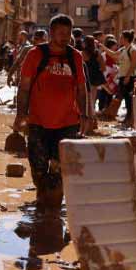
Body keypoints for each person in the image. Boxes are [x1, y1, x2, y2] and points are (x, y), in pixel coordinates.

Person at [14, 15, 88, 213]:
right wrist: (20, 114)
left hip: (68, 123)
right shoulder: (35, 55)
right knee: (38, 168)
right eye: (61, 33)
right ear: (51, 33)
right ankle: (42, 199)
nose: (65, 37)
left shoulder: (75, 57)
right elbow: (24, 88)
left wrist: (85, 115)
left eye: (68, 33)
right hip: (38, 122)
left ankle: (52, 212)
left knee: (59, 168)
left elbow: (82, 89)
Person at [106, 30, 136, 126]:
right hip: (122, 77)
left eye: (121, 37)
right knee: (124, 97)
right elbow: (113, 54)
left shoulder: (133, 49)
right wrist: (103, 47)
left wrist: (128, 76)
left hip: (129, 77)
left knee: (128, 98)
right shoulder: (123, 49)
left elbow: (133, 64)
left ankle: (130, 119)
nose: (119, 39)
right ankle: (128, 118)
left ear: (126, 39)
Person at [83, 36, 107, 119]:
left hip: (85, 77)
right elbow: (103, 67)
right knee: (93, 99)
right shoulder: (97, 53)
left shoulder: (83, 53)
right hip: (95, 78)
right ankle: (92, 118)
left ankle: (87, 117)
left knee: (86, 99)